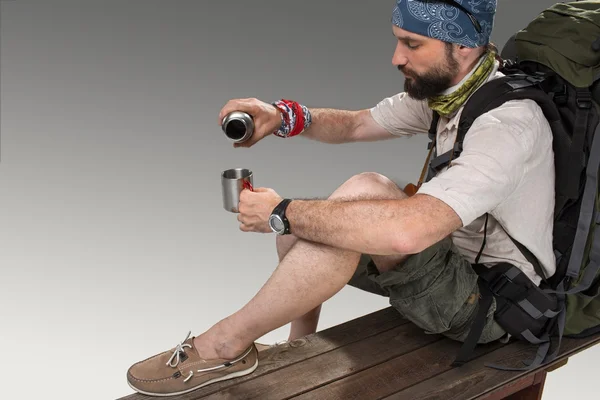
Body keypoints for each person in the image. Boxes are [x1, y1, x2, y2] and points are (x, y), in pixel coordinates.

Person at [127, 0, 556, 396]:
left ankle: (225, 342)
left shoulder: (506, 125)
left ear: (463, 47)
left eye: (412, 43)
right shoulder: (454, 92)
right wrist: (285, 117)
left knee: (357, 193)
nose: (396, 57)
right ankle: (298, 350)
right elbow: (355, 125)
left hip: (490, 305)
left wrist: (281, 210)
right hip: (448, 269)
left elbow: (408, 234)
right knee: (298, 233)